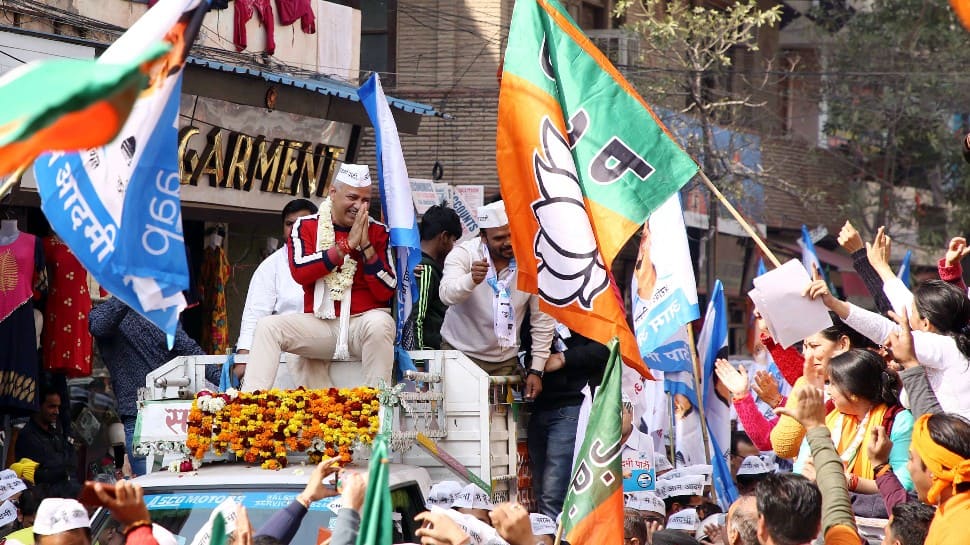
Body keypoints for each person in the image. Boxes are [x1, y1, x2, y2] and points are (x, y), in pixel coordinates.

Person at [237, 164, 397, 390]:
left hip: (361, 326)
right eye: (352, 197)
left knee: (381, 323)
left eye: (365, 200)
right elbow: (301, 272)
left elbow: (386, 290)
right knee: (268, 326)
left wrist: (366, 247)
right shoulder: (306, 226)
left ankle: (379, 407)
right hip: (322, 325)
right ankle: (249, 408)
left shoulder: (378, 231)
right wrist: (345, 247)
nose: (359, 206)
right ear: (333, 193)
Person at [823, 228, 970, 419]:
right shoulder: (949, 344)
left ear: (925, 324)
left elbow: (888, 330)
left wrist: (835, 304)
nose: (906, 318)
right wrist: (881, 266)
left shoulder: (945, 347)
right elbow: (904, 305)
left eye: (913, 313)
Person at [89, 297, 213, 476]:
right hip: (139, 418)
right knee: (151, 485)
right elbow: (99, 325)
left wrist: (225, 382)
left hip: (174, 415)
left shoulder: (160, 311)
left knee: (181, 479)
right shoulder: (106, 311)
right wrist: (128, 292)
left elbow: (189, 349)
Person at [439, 200, 554, 393]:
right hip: (459, 355)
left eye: (512, 235)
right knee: (458, 421)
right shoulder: (464, 255)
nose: (508, 242)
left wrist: (537, 369)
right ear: (483, 237)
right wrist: (471, 280)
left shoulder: (532, 260)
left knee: (498, 424)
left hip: (504, 363)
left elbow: (542, 319)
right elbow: (446, 295)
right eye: (499, 238)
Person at [769, 313, 876, 460]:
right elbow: (783, 446)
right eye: (805, 347)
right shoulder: (806, 383)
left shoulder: (874, 387)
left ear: (843, 344)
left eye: (814, 346)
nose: (806, 354)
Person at [528, 331, 607, 518]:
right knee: (539, 492)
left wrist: (564, 358)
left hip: (573, 404)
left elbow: (607, 345)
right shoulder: (535, 304)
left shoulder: (589, 303)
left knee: (553, 494)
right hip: (538, 404)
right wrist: (531, 365)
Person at [771, 384, 863, 545]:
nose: (828, 390)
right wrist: (815, 427)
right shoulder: (841, 537)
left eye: (835, 383)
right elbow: (837, 508)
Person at [236, 198, 318, 356]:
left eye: (301, 222)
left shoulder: (333, 259)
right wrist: (243, 358)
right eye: (289, 224)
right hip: (284, 361)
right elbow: (255, 316)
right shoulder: (269, 267)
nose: (294, 229)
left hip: (329, 355)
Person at [908, 412, 970, 545]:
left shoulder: (960, 531)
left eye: (911, 458)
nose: (908, 466)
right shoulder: (950, 511)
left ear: (934, 470)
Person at [407, 205, 461, 350]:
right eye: (453, 241)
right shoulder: (425, 269)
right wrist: (417, 361)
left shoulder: (413, 262)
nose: (453, 247)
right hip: (426, 355)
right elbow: (416, 317)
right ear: (444, 237)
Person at [13, 388, 79, 498]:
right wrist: (61, 471)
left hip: (68, 494)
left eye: (58, 407)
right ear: (38, 407)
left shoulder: (55, 433)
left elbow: (71, 461)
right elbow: (41, 474)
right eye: (52, 406)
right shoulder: (28, 436)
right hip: (47, 500)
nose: (56, 412)